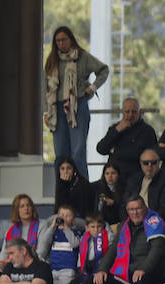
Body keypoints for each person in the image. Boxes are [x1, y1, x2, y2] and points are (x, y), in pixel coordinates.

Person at [43, 26, 108, 182]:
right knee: (60, 152)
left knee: (78, 151)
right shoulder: (52, 60)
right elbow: (45, 87)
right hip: (56, 109)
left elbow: (103, 70)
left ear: (71, 39)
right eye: (57, 41)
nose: (61, 43)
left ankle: (81, 189)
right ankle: (62, 187)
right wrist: (46, 112)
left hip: (77, 106)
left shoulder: (82, 57)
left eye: (64, 39)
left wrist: (92, 88)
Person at [95, 98, 158, 193]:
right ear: (122, 112)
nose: (130, 115)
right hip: (113, 176)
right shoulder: (115, 128)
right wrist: (117, 130)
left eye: (133, 112)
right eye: (127, 111)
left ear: (139, 112)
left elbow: (138, 154)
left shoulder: (147, 131)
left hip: (135, 176)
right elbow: (101, 149)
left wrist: (115, 151)